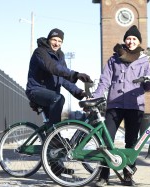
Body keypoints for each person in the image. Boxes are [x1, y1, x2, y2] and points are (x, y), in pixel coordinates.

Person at [25, 28, 93, 176]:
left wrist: (79, 93)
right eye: (54, 40)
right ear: (49, 39)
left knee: (54, 125)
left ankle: (55, 168)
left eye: (60, 41)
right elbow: (52, 68)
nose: (56, 43)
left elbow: (63, 79)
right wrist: (76, 74)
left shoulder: (60, 55)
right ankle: (54, 136)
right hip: (36, 90)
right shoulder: (40, 52)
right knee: (58, 100)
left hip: (50, 95)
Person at [92, 25, 150, 187]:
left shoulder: (144, 60)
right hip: (115, 104)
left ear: (139, 42)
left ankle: (128, 175)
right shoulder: (114, 59)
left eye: (134, 39)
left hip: (135, 105)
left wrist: (148, 83)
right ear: (125, 40)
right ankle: (103, 176)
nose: (131, 41)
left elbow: (149, 84)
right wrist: (96, 96)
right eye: (129, 38)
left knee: (131, 142)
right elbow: (105, 80)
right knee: (106, 140)